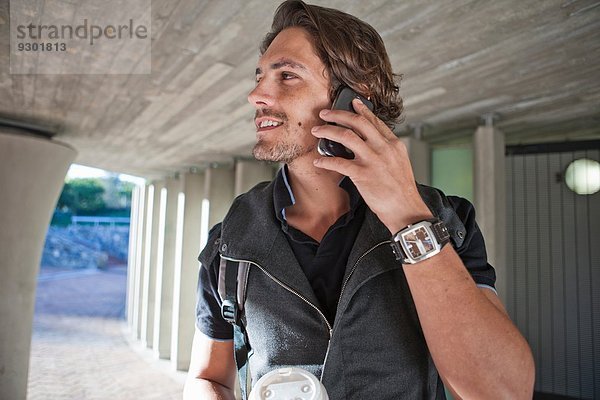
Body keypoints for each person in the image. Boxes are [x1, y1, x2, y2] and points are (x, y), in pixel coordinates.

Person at [183, 1, 535, 399]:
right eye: (261, 76)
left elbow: (504, 392)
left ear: (353, 98)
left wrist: (408, 217)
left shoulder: (446, 221)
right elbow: (207, 378)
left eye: (287, 75)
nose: (255, 95)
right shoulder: (231, 239)